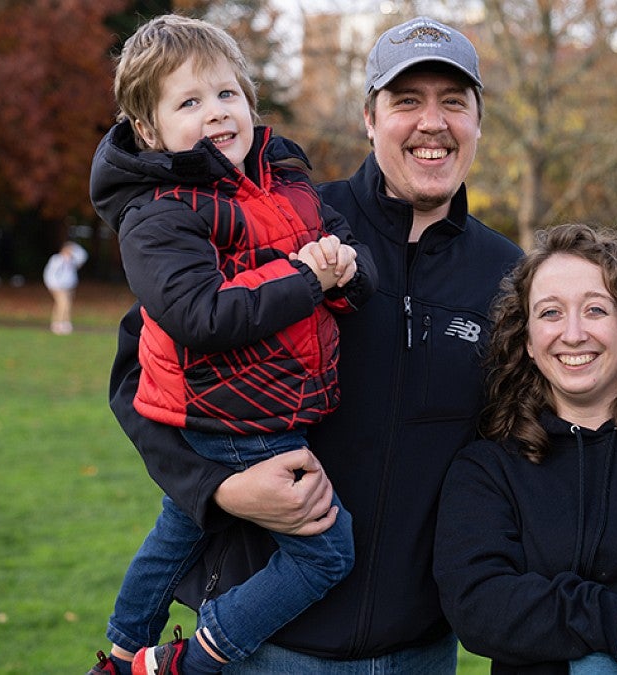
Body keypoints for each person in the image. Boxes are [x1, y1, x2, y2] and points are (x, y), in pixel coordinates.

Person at [100, 14, 523, 673]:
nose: (431, 123)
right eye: (406, 101)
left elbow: (543, 432)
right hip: (268, 642)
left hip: (423, 649)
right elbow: (140, 382)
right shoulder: (284, 223)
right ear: (369, 117)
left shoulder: (509, 275)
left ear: (478, 120)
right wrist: (219, 486)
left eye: (454, 103)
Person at [85, 14, 377, 675]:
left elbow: (348, 255)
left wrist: (347, 267)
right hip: (236, 413)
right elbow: (200, 314)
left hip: (268, 400)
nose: (216, 113)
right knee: (327, 551)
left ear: (249, 101)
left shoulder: (284, 177)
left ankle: (125, 649)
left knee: (177, 529)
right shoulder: (160, 212)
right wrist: (307, 277)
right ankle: (200, 655)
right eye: (189, 102)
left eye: (226, 94)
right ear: (151, 131)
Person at [432, 222, 617, 674]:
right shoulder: (488, 469)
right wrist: (614, 618)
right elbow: (478, 603)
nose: (573, 333)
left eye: (596, 310)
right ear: (526, 341)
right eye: (549, 313)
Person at [42, 240, 87, 334]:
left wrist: (74, 246)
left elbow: (83, 256)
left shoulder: (72, 261)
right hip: (57, 286)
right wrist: (53, 284)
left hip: (68, 286)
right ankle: (58, 324)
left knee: (66, 304)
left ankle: (65, 322)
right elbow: (50, 273)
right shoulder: (57, 259)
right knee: (63, 303)